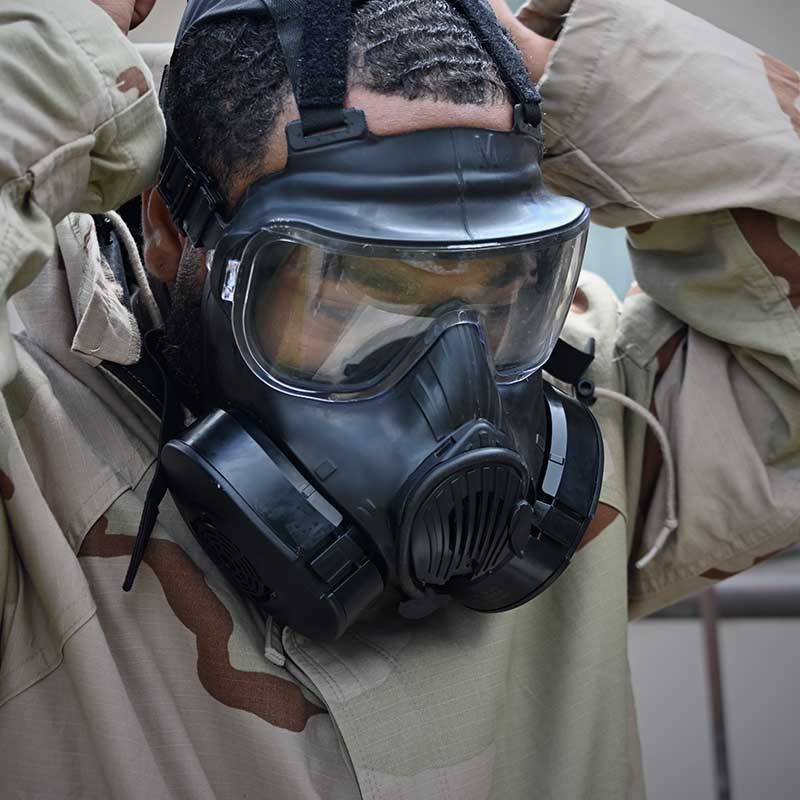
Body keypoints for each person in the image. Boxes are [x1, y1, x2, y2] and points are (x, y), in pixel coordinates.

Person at [0, 0, 798, 797]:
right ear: (173, 233)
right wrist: (59, 44)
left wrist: (587, 76)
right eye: (354, 297)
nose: (454, 386)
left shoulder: (589, 389)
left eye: (495, 289)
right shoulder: (29, 442)